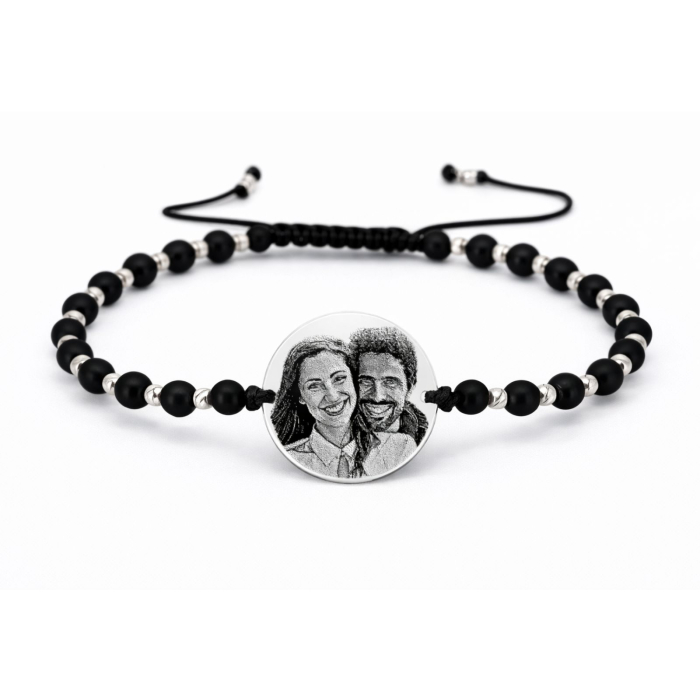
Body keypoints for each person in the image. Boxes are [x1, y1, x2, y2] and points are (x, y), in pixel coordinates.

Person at [270, 336, 415, 479]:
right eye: (314, 386)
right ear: (300, 396)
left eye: (339, 378)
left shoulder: (400, 447)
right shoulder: (288, 459)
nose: (332, 396)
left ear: (353, 381)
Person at [349, 327, 429, 447]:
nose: (377, 397)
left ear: (410, 387)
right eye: (366, 382)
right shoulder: (335, 434)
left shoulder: (425, 439)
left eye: (390, 382)